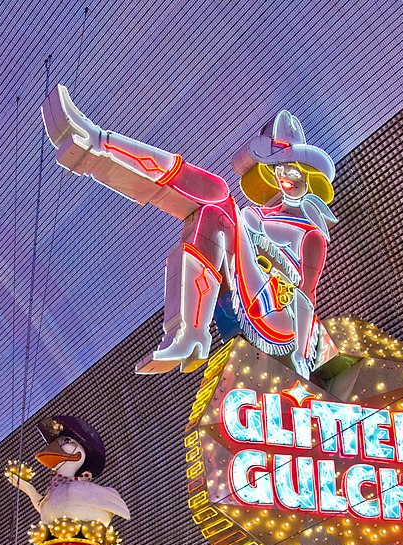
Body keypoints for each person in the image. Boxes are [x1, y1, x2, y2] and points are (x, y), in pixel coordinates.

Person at [42, 87, 338, 377]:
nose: (287, 177)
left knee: (219, 193)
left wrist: (301, 353)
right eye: (280, 169)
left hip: (278, 318)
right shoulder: (261, 215)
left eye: (294, 170)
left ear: (310, 177)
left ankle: (97, 142)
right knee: (210, 211)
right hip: (251, 293)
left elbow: (307, 295)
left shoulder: (311, 234)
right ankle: (190, 335)